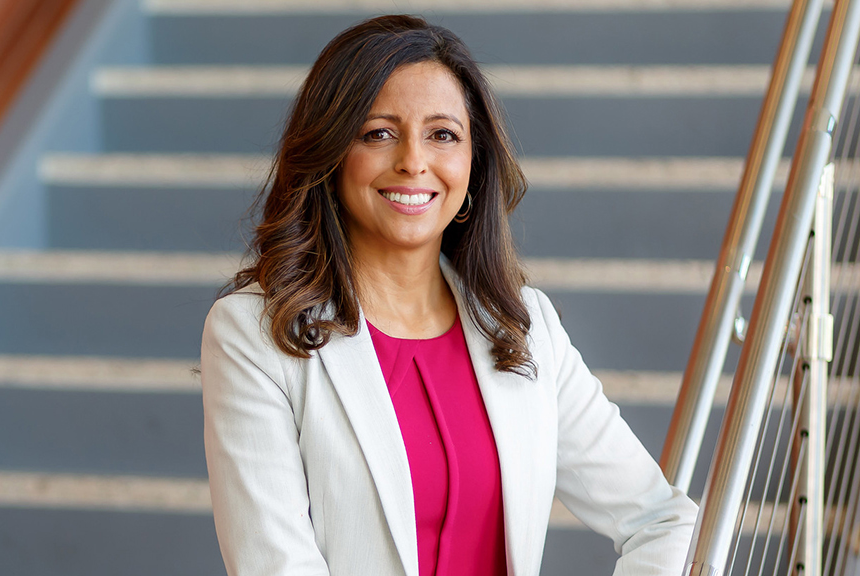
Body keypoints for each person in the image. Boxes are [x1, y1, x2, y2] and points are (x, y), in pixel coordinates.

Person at [199, 14, 697, 576]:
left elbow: (662, 518)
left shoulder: (524, 326)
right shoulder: (256, 333)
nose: (414, 160)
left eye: (443, 135)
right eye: (378, 133)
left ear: (472, 164)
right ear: (332, 155)